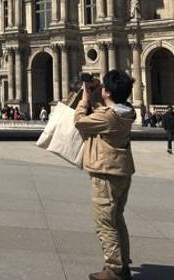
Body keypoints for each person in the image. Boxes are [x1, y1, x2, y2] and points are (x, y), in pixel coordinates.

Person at [74, 70, 136, 280]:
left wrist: (84, 99)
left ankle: (114, 269)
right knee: (117, 219)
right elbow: (105, 112)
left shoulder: (108, 117)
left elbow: (79, 121)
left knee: (105, 222)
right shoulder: (127, 111)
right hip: (122, 170)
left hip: (106, 171)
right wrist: (98, 96)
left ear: (108, 92)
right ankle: (122, 262)